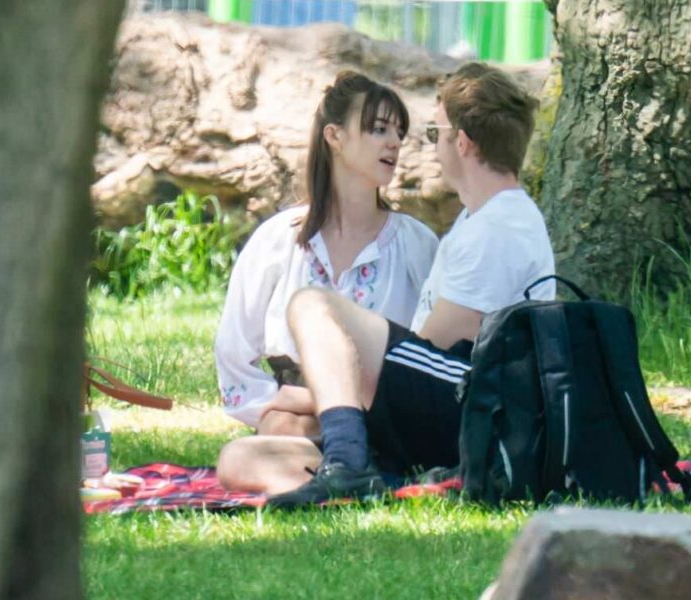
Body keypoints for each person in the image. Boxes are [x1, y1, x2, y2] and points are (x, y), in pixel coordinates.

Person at [218, 62, 555, 501]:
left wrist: (307, 400)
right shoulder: (481, 221)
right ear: (333, 137)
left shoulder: (495, 229)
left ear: (464, 143)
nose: (407, 146)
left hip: (472, 411)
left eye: (433, 135)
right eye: (379, 130)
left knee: (311, 307)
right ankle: (366, 477)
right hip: (446, 405)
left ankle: (348, 462)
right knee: (238, 460)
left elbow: (424, 357)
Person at [214, 71, 438, 442]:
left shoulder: (416, 244)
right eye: (379, 129)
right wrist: (274, 405)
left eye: (400, 132)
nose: (395, 143)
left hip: (386, 415)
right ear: (334, 136)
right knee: (248, 454)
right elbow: (234, 350)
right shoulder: (277, 240)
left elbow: (436, 355)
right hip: (292, 421)